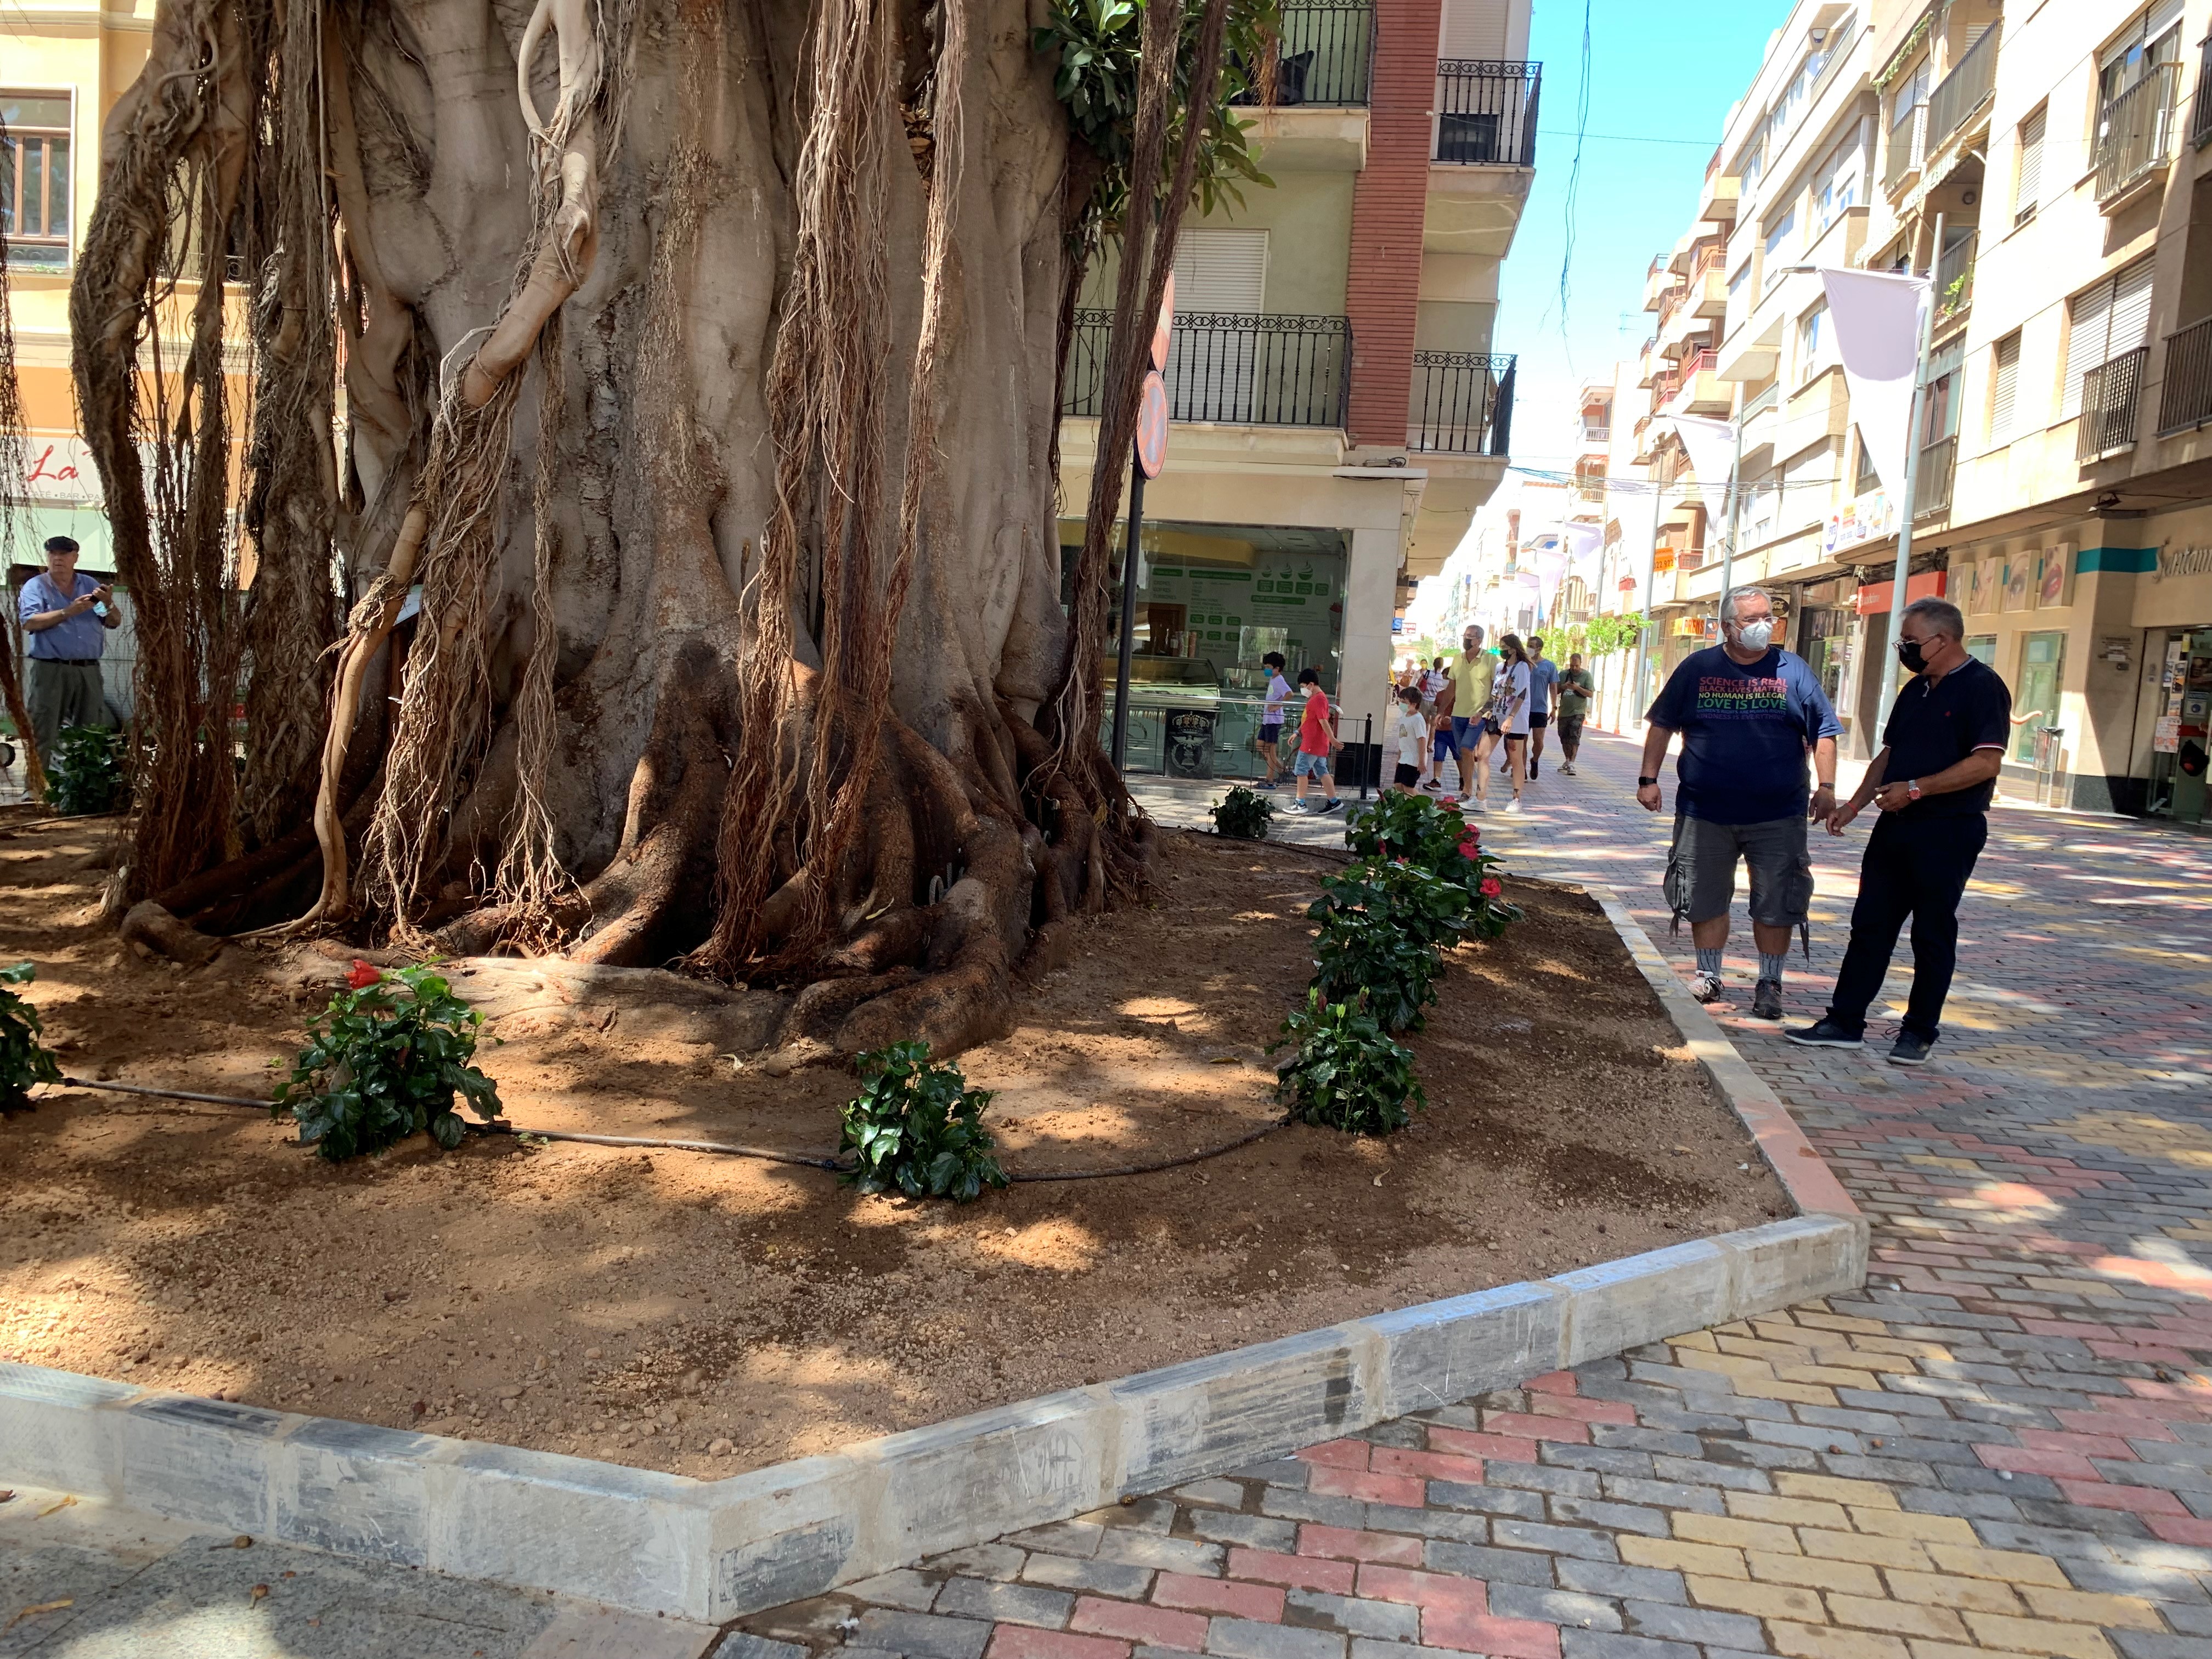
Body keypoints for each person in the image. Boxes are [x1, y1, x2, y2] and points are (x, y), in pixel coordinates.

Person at [1787, 597, 2011, 1065]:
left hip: (1949, 829)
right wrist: (1855, 804)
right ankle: (1845, 1021)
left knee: (1931, 932)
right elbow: (1889, 755)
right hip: (1895, 829)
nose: (1903, 650)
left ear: (1943, 640)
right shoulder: (1916, 690)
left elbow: (1986, 762)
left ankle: (1918, 1031)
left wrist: (1917, 789)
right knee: (1870, 926)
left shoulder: (1982, 687)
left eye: (1910, 641)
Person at [1636, 586, 1840, 1021]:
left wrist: (1827, 787)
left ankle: (1770, 983)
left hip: (1778, 814)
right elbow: (1662, 725)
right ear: (1727, 626)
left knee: (1778, 900)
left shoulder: (1794, 670)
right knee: (1704, 897)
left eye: (1767, 616)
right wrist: (1648, 779)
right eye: (1750, 619)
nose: (1762, 626)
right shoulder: (1698, 668)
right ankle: (1708, 975)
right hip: (1705, 811)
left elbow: (1822, 729)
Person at [16, 535, 121, 761]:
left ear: (75, 557)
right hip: (51, 668)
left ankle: (83, 789)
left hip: (88, 669)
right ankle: (36, 786)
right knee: (44, 727)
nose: (57, 559)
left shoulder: (89, 585)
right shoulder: (36, 586)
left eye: (63, 554)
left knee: (91, 730)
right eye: (52, 554)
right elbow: (29, 622)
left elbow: (112, 621)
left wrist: (109, 604)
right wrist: (67, 612)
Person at [1482, 633, 1532, 814]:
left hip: (1516, 720)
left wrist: (1511, 717)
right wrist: (1482, 712)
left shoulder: (1522, 667)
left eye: (1504, 646)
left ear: (1513, 648)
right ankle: (1480, 798)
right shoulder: (1499, 668)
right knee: (1482, 754)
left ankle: (1516, 799)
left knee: (1516, 758)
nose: (1502, 650)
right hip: (1497, 716)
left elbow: (1522, 694)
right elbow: (1495, 693)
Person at [1285, 668, 1343, 815]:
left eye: (1303, 687)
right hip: (1317, 743)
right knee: (1322, 771)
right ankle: (1334, 801)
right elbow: (1310, 720)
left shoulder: (1318, 699)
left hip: (1312, 744)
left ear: (1311, 684)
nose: (1303, 690)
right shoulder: (1318, 698)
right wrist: (1297, 733)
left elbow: (1323, 722)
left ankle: (1300, 803)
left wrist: (1333, 740)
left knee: (1301, 771)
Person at [1452, 625, 1498, 805]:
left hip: (1480, 715)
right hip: (1458, 714)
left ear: (1479, 640)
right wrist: (1441, 711)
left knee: (1466, 748)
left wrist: (1484, 711)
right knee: (1463, 753)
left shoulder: (1490, 660)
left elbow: (1496, 689)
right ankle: (1469, 789)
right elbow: (1451, 688)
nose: (1466, 639)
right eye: (1465, 635)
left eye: (1470, 636)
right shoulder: (1458, 659)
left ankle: (1468, 791)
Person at [1523, 636, 1561, 779]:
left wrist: (1554, 708)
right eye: (1528, 645)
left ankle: (1535, 760)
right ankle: (1522, 770)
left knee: (1539, 742)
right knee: (1522, 741)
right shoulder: (1524, 664)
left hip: (1540, 709)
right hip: (1523, 708)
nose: (1529, 648)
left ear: (1539, 648)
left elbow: (1553, 688)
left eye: (1532, 646)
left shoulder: (1549, 666)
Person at [1554, 652, 1595, 776]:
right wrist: (1564, 687)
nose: (1574, 668)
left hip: (1578, 712)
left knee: (1574, 736)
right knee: (1564, 736)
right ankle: (1567, 760)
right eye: (1572, 665)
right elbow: (1555, 690)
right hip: (1564, 712)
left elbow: (1590, 694)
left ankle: (1572, 762)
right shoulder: (1563, 674)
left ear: (1580, 664)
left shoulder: (1586, 676)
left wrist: (1577, 688)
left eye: (1576, 666)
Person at [1257, 651, 1293, 787]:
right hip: (1268, 719)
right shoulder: (1273, 680)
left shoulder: (1279, 680)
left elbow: (1289, 694)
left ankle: (1270, 780)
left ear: (1277, 669)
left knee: (1270, 749)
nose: (1266, 669)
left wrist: (1278, 706)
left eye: (1269, 667)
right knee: (1261, 746)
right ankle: (1282, 769)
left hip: (1274, 721)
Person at [1389, 685, 1428, 794]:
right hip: (1404, 757)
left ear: (1414, 704)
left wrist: (1421, 761)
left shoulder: (1418, 719)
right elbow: (1403, 739)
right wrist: (1399, 757)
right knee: (1398, 785)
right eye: (1400, 701)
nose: (1401, 704)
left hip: (1413, 759)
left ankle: (1426, 805)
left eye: (1404, 702)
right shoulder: (1404, 716)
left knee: (1408, 787)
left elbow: (1422, 740)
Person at [1424, 662, 1455, 791]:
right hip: (1441, 730)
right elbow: (1438, 711)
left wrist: (1452, 719)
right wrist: (1438, 721)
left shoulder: (1459, 695)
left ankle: (1464, 780)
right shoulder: (1440, 694)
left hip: (1454, 731)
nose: (1444, 681)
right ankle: (1436, 780)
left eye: (1446, 679)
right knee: (1439, 755)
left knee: (1459, 756)